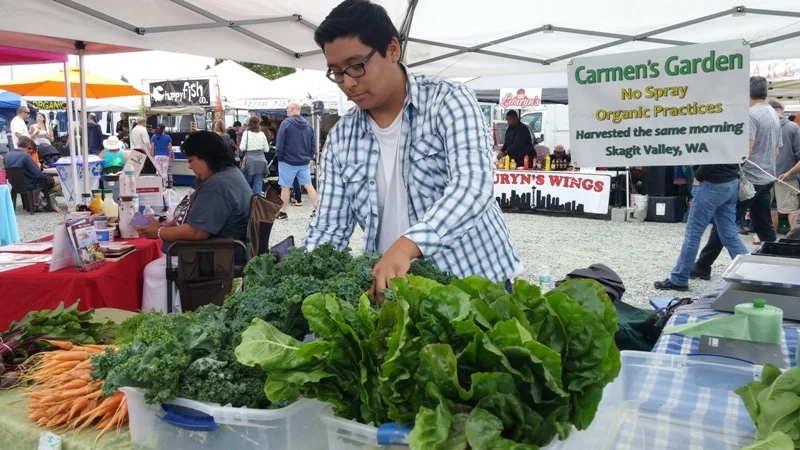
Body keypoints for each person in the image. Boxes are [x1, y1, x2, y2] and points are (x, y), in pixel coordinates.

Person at [306, 0, 521, 298]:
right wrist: (296, 275)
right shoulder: (341, 138)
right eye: (337, 73)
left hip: (477, 283)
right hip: (398, 293)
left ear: (392, 49)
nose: (348, 83)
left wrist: (407, 246)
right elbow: (329, 228)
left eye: (356, 66)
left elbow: (473, 187)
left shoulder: (449, 100)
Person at [136, 131, 251, 312]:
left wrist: (159, 232)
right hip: (222, 249)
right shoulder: (229, 174)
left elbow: (197, 232)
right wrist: (166, 226)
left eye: (191, 160)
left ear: (206, 157)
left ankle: (158, 320)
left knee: (153, 271)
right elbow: (191, 213)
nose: (189, 166)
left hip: (216, 255)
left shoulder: (217, 185)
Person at [691, 77, 782, 279]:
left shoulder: (750, 115)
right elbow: (776, 151)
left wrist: (731, 170)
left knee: (724, 222)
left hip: (748, 179)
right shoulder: (773, 113)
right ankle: (776, 264)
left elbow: (745, 150)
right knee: (764, 224)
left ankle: (703, 266)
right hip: (767, 176)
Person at [654, 163, 749, 291]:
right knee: (730, 235)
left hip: (712, 182)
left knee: (693, 234)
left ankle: (679, 278)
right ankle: (750, 275)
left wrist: (698, 176)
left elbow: (711, 158)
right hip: (731, 181)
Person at [277, 102, 319, 219]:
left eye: (288, 108)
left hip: (288, 161)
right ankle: (317, 209)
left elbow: (280, 142)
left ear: (292, 109)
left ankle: (283, 212)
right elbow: (313, 144)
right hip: (304, 161)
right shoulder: (308, 125)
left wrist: (280, 157)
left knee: (285, 187)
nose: (286, 110)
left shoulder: (286, 123)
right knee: (308, 185)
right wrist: (309, 156)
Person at [5, 136, 60, 212]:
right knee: (60, 180)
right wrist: (46, 175)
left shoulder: (7, 155)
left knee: (49, 180)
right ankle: (48, 202)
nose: (30, 151)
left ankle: (38, 202)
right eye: (30, 149)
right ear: (27, 145)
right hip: (30, 184)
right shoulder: (25, 156)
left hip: (15, 185)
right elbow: (38, 174)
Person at [770, 100, 800, 231]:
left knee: (769, 207)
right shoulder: (793, 127)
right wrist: (790, 173)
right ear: (782, 109)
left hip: (765, 175)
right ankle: (795, 236)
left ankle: (765, 236)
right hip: (788, 175)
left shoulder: (762, 125)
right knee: (791, 209)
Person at [240, 116, 269, 195]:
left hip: (250, 161)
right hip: (261, 161)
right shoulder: (262, 134)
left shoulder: (246, 133)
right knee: (258, 183)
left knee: (246, 182)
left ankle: (247, 199)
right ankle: (257, 200)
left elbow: (242, 148)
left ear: (249, 124)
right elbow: (266, 149)